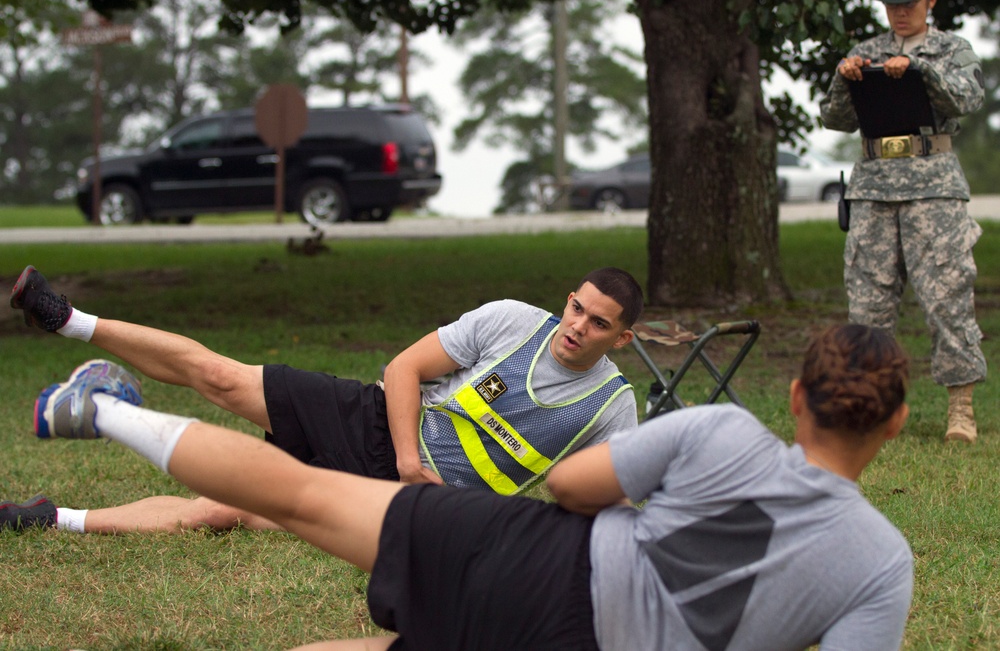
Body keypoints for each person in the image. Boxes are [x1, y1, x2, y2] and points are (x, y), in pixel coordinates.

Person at [28, 323, 914, 649]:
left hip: (535, 559)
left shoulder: (722, 430)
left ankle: (100, 413)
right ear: (896, 423)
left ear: (794, 397)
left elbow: (570, 487)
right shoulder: (881, 564)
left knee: (302, 496)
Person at [2, 265, 641, 534]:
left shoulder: (612, 405)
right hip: (375, 427)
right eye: (576, 307)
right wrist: (406, 458)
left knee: (220, 514)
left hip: (410, 509)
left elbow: (614, 501)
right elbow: (403, 369)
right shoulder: (512, 321)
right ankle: (68, 320)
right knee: (222, 379)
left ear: (622, 337)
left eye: (598, 323)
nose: (577, 327)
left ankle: (45, 519)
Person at [819, 0, 987, 444]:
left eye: (910, 1)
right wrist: (844, 77)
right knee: (868, 302)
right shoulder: (865, 50)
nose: (901, 11)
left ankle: (960, 409)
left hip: (933, 188)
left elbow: (969, 98)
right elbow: (835, 119)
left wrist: (918, 70)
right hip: (873, 187)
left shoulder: (952, 49)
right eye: (892, 3)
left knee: (947, 297)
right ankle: (872, 405)